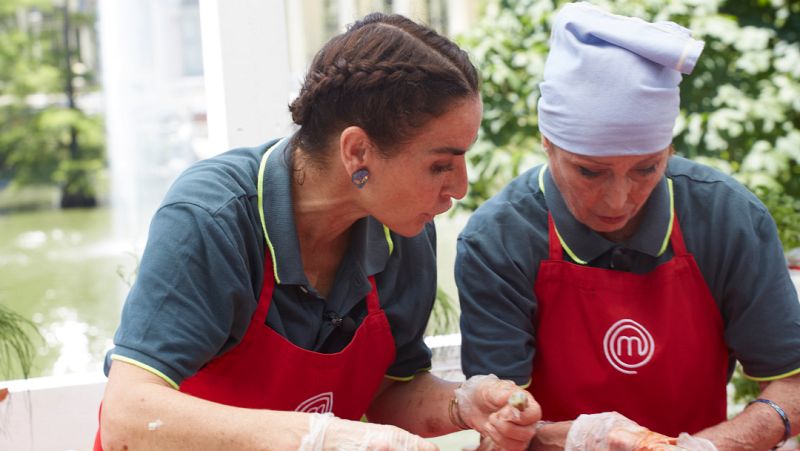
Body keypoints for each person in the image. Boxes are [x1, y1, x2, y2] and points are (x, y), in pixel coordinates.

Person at [95, 12, 541, 451]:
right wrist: (321, 435)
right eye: (440, 165)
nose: (460, 188)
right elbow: (128, 418)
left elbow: (388, 393)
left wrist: (462, 406)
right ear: (358, 151)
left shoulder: (403, 230)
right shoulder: (213, 218)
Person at [455, 2, 800, 450]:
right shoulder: (497, 242)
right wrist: (581, 440)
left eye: (645, 169)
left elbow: (791, 386)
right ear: (547, 143)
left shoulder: (727, 219)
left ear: (669, 149)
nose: (619, 200)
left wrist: (711, 447)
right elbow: (497, 426)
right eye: (590, 172)